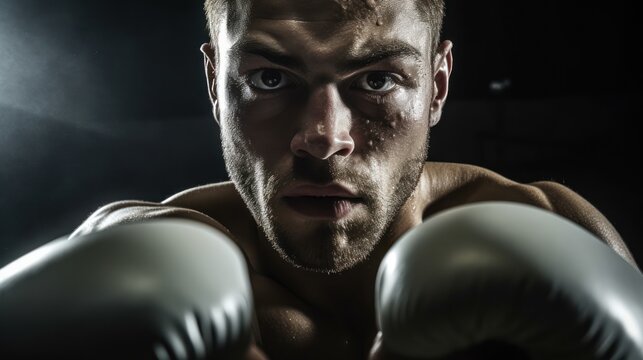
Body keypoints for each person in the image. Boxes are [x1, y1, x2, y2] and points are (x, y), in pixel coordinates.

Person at [1, 0, 642, 359]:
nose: (324, 137)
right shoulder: (149, 248)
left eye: (378, 79)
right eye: (271, 78)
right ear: (214, 86)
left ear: (437, 86)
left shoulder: (549, 226)